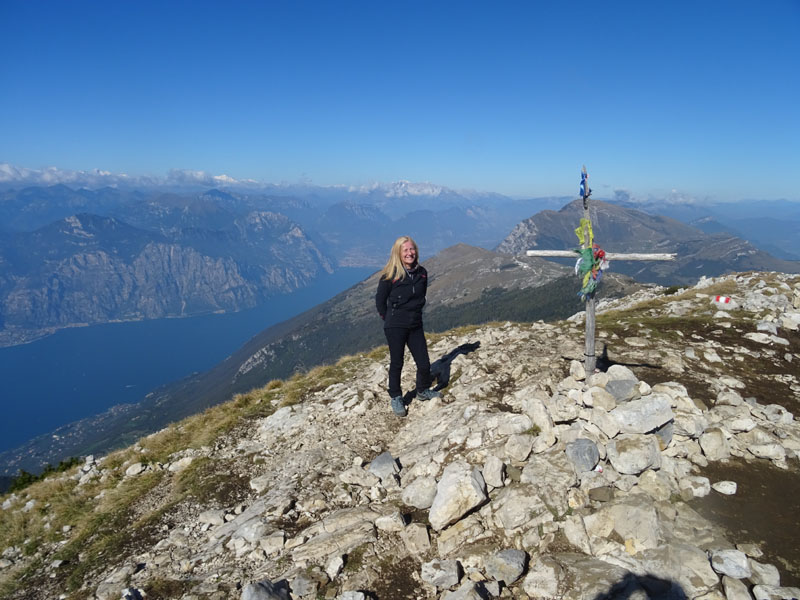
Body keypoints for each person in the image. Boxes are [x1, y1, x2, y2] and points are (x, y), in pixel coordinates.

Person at [375, 236, 440, 416]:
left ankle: (422, 390)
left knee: (424, 361)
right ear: (398, 253)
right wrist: (389, 320)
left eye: (412, 249)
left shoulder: (422, 273)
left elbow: (421, 297)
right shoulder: (390, 276)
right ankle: (396, 397)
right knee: (397, 362)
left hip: (415, 324)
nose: (410, 253)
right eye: (405, 250)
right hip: (395, 325)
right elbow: (380, 301)